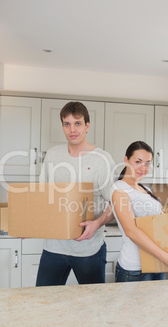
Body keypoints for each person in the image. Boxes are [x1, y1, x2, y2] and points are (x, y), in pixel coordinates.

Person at [36, 101, 115, 286]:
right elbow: (42, 196)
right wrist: (30, 224)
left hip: (89, 249)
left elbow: (115, 203)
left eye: (78, 123)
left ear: (87, 126)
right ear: (62, 126)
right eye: (67, 124)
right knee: (42, 303)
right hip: (53, 248)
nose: (72, 129)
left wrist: (97, 223)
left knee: (92, 306)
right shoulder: (53, 155)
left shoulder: (102, 159)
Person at [111, 141, 168, 282]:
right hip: (135, 270)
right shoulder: (119, 190)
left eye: (148, 163)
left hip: (157, 264)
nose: (143, 167)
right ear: (126, 160)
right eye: (138, 161)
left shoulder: (146, 189)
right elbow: (131, 230)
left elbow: (165, 224)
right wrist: (166, 258)